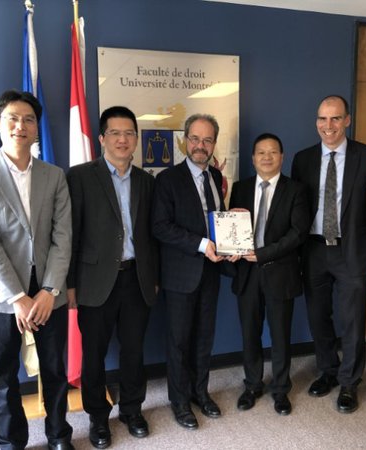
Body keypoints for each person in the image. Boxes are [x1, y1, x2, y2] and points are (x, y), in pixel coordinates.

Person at [0, 90, 73, 450]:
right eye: (12, 118)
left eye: (28, 119)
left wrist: (49, 289)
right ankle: (10, 441)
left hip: (48, 290)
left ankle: (59, 434)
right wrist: (17, 297)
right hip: (0, 292)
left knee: (54, 369)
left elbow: (63, 236)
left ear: (36, 128)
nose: (20, 125)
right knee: (5, 373)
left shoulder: (54, 176)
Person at [66, 106, 159, 449]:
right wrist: (70, 284)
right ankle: (97, 417)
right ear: (102, 138)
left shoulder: (147, 181)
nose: (123, 139)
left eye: (129, 133)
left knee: (134, 350)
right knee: (94, 354)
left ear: (136, 139)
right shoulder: (79, 177)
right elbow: (70, 233)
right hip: (94, 282)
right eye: (115, 133)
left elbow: (152, 235)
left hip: (137, 279)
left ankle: (132, 410)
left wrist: (154, 276)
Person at [291, 95, 366, 414]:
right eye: (322, 119)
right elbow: (296, 210)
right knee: (318, 316)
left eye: (335, 118)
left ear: (347, 120)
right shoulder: (302, 160)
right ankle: (328, 371)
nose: (328, 125)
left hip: (352, 250)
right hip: (314, 250)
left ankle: (349, 382)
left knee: (352, 319)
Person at [152, 114, 230, 429]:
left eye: (207, 140)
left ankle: (200, 392)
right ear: (185, 140)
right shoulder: (167, 179)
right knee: (179, 341)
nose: (201, 145)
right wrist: (201, 244)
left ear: (214, 143)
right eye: (195, 139)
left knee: (204, 337)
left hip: (211, 272)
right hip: (180, 274)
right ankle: (180, 401)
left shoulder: (215, 176)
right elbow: (160, 226)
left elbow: (216, 218)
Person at [229, 133, 310, 415]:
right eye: (261, 152)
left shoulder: (296, 190)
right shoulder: (240, 188)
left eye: (273, 152)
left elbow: (298, 233)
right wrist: (232, 248)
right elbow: (232, 227)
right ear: (253, 158)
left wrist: (263, 253)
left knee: (280, 335)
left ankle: (280, 389)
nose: (267, 157)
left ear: (282, 157)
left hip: (280, 273)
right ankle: (252, 385)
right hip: (247, 274)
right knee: (249, 333)